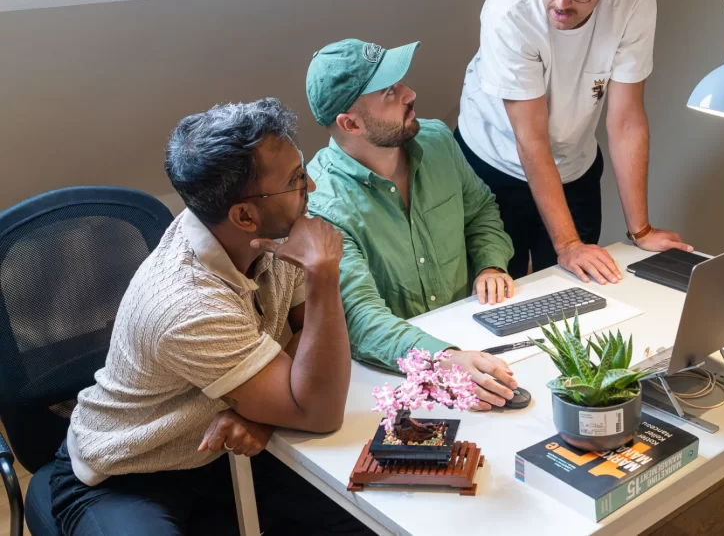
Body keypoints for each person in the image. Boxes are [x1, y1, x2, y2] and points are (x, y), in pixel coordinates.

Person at [49, 99, 369, 535]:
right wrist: (324, 275)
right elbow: (319, 408)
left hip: (221, 454)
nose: (309, 184)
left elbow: (306, 332)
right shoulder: (188, 303)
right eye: (296, 180)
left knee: (367, 517)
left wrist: (261, 411)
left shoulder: (264, 235)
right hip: (129, 473)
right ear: (244, 215)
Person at [456, 0, 692, 284]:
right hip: (492, 164)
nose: (562, 2)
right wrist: (567, 244)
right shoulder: (509, 12)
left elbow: (627, 120)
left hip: (575, 163)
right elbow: (531, 140)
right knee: (503, 291)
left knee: (580, 286)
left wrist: (641, 232)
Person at [305, 38, 519, 411]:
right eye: (390, 92)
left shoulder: (437, 140)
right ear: (350, 123)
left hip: (476, 337)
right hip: (395, 375)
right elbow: (360, 318)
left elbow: (481, 210)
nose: (410, 93)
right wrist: (445, 361)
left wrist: (490, 262)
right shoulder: (323, 202)